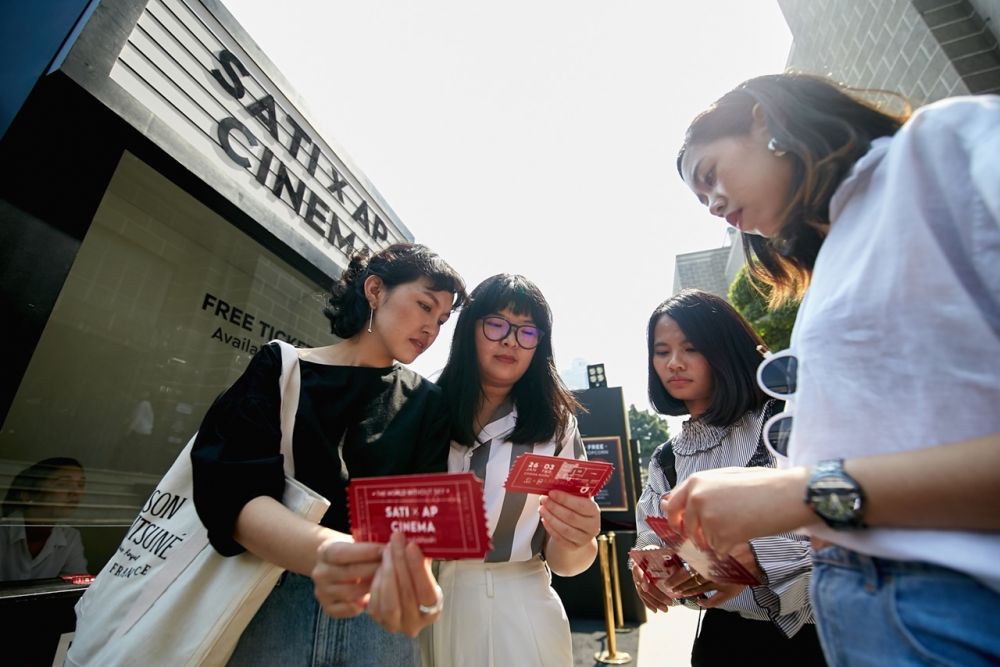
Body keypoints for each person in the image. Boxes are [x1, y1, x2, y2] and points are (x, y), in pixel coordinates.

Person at [666, 73, 1000, 666]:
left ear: (762, 118)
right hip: (861, 612)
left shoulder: (944, 145)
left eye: (710, 175)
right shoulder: (832, 262)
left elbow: (828, 492)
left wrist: (800, 492)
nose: (713, 204)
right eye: (700, 200)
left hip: (955, 604)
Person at [190, 243, 468, 666]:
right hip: (266, 600)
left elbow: (421, 522)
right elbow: (232, 493)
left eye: (442, 319)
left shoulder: (428, 401)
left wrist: (413, 586)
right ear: (375, 290)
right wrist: (333, 555)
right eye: (425, 306)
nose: (432, 328)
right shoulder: (282, 368)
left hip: (376, 617)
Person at [631, 289, 825, 666]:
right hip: (721, 638)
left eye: (691, 348)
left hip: (812, 637)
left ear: (724, 348)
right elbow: (652, 532)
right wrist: (649, 569)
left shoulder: (782, 420)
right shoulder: (667, 458)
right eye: (662, 351)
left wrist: (763, 557)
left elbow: (841, 516)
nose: (674, 363)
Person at [422, 273, 600, 667]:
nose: (510, 340)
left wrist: (578, 535)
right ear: (471, 328)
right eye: (497, 324)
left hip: (521, 605)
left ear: (540, 345)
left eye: (526, 331)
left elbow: (567, 563)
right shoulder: (424, 405)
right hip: (429, 601)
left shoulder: (556, 426)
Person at [0, 457, 88, 581]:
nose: (76, 492)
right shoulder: (3, 531)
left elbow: (76, 585)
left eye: (80, 485)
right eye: (63, 484)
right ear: (28, 495)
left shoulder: (71, 537)